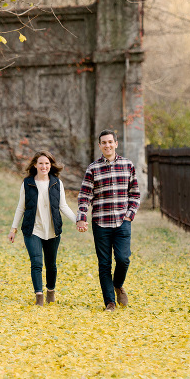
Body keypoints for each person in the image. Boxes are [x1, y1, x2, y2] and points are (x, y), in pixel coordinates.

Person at [76, 129, 140, 311]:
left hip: (122, 222)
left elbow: (135, 194)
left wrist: (130, 215)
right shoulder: (93, 169)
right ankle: (109, 302)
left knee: (123, 259)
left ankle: (118, 284)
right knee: (104, 264)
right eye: (104, 143)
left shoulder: (128, 165)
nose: (107, 145)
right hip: (100, 223)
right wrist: (81, 218)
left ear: (116, 144)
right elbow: (84, 196)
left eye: (110, 142)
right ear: (100, 146)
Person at [9, 151, 77, 306]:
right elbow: (21, 207)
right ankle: (39, 296)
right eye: (41, 163)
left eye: (47, 163)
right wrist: (13, 229)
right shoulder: (27, 183)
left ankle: (50, 291)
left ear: (50, 165)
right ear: (35, 165)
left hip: (52, 230)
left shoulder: (56, 183)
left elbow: (63, 206)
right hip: (33, 229)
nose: (44, 166)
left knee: (51, 264)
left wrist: (77, 221)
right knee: (36, 262)